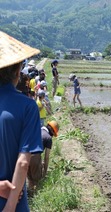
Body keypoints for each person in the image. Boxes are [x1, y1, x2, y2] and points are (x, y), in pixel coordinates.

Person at [0, 30, 43, 211]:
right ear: (18, 71)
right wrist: (10, 207)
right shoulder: (27, 107)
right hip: (12, 203)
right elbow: (23, 162)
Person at [27, 121, 59, 192]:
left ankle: (29, 197)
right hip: (35, 156)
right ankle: (37, 197)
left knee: (30, 180)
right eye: (53, 134)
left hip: (25, 156)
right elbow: (46, 157)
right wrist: (44, 173)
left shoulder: (37, 130)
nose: (52, 136)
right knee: (38, 181)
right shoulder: (48, 138)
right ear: (52, 131)